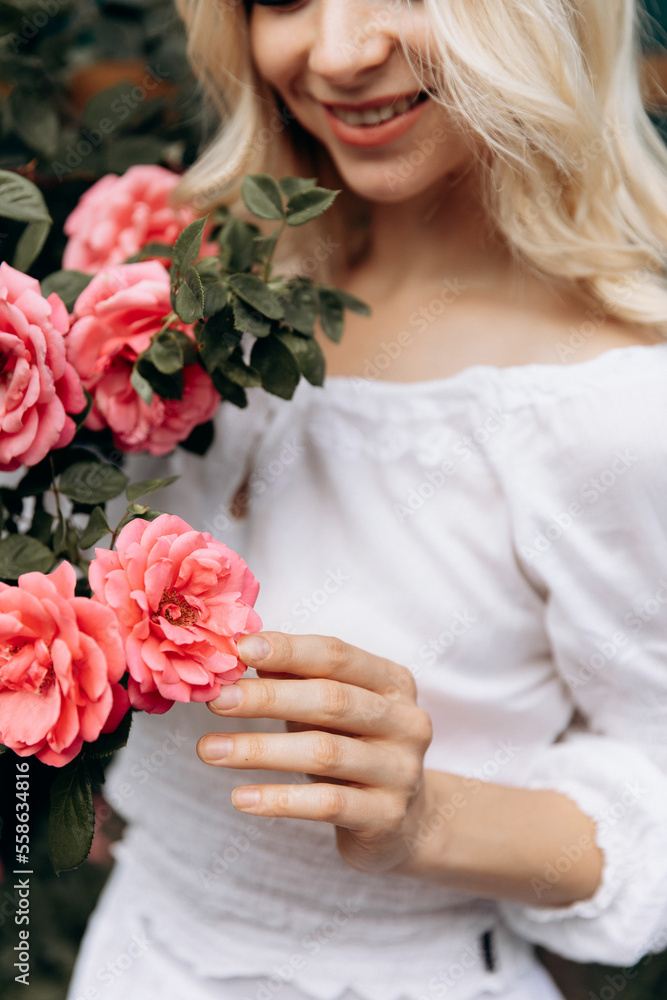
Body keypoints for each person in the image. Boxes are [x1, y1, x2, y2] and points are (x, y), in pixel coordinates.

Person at [66, 2, 667, 999]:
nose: (341, 53)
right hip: (135, 956)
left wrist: (427, 818)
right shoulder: (217, 288)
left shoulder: (610, 404)